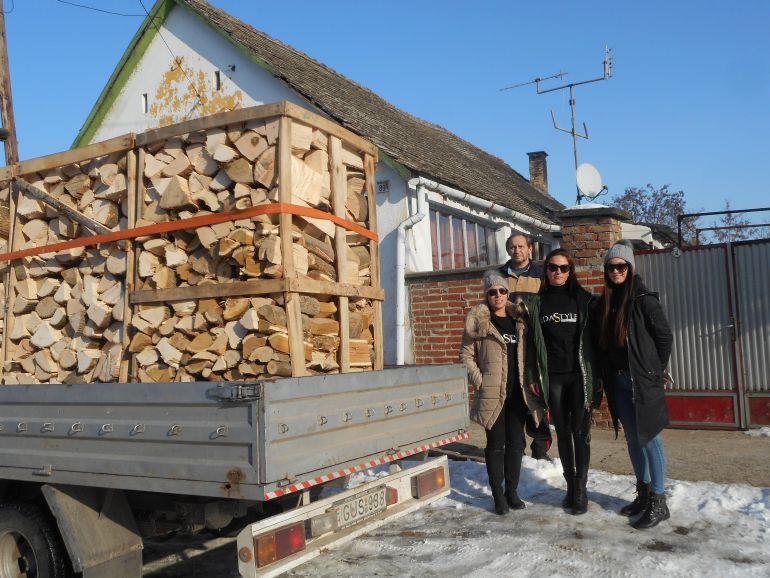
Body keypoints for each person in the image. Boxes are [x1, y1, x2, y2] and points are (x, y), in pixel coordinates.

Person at [595, 240, 674, 529]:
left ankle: (659, 500)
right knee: (632, 439)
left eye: (621, 266)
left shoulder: (644, 299)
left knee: (650, 438)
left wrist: (654, 371)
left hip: (642, 382)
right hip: (618, 381)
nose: (616, 271)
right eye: (611, 267)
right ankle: (643, 492)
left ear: (630, 267)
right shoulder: (607, 300)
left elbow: (664, 338)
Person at [460, 270, 546, 515]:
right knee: (496, 445)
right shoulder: (478, 321)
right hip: (492, 394)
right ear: (486, 295)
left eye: (501, 291)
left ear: (507, 293)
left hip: (518, 394)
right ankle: (498, 495)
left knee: (516, 444)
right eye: (492, 292)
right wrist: (480, 380)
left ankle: (512, 492)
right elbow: (466, 356)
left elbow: (529, 354)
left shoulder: (519, 319)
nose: (497, 295)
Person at [522, 248, 598, 515]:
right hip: (552, 377)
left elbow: (596, 343)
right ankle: (570, 487)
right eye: (553, 267)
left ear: (570, 271)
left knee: (581, 433)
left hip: (579, 376)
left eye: (564, 268)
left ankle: (582, 488)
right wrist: (531, 374)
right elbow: (530, 343)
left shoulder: (584, 300)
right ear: (546, 270)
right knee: (563, 434)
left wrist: (597, 379)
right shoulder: (536, 303)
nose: (558, 272)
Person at [499, 233, 554, 461]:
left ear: (529, 249)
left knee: (535, 392)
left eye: (521, 246)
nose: (517, 250)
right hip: (508, 343)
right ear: (508, 250)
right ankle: (516, 449)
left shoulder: (542, 274)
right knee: (512, 395)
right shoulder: (499, 276)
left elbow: (547, 307)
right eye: (512, 247)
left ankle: (540, 448)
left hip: (533, 342)